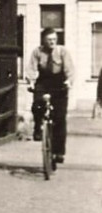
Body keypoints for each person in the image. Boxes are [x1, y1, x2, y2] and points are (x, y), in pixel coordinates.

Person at [26, 27, 74, 163]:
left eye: (54, 39)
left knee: (60, 118)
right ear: (43, 40)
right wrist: (30, 82)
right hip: (43, 83)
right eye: (49, 39)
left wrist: (69, 81)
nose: (52, 42)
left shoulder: (62, 51)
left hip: (59, 84)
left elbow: (70, 69)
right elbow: (31, 68)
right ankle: (37, 127)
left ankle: (59, 152)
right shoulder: (37, 52)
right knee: (37, 105)